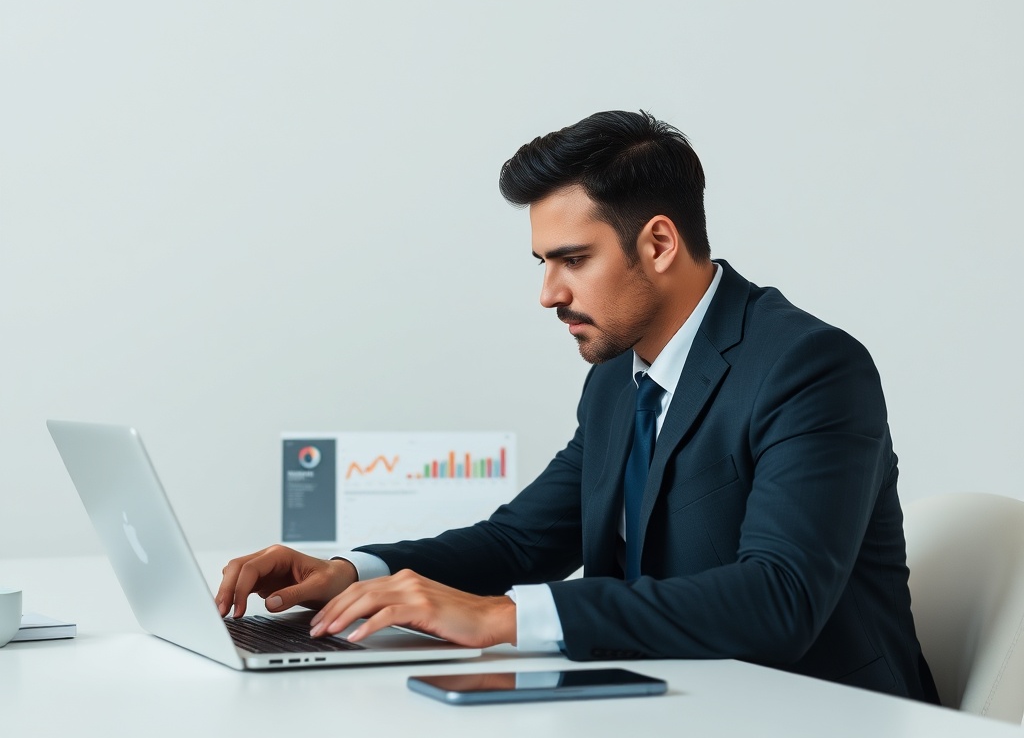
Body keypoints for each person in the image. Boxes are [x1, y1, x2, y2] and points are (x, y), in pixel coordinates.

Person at [216, 110, 939, 702]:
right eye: (543, 265)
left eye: (573, 260)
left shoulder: (809, 367)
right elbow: (521, 542)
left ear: (658, 242)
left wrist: (505, 617)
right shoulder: (616, 377)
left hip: (819, 712)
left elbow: (780, 599)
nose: (549, 294)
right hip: (665, 698)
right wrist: (352, 573)